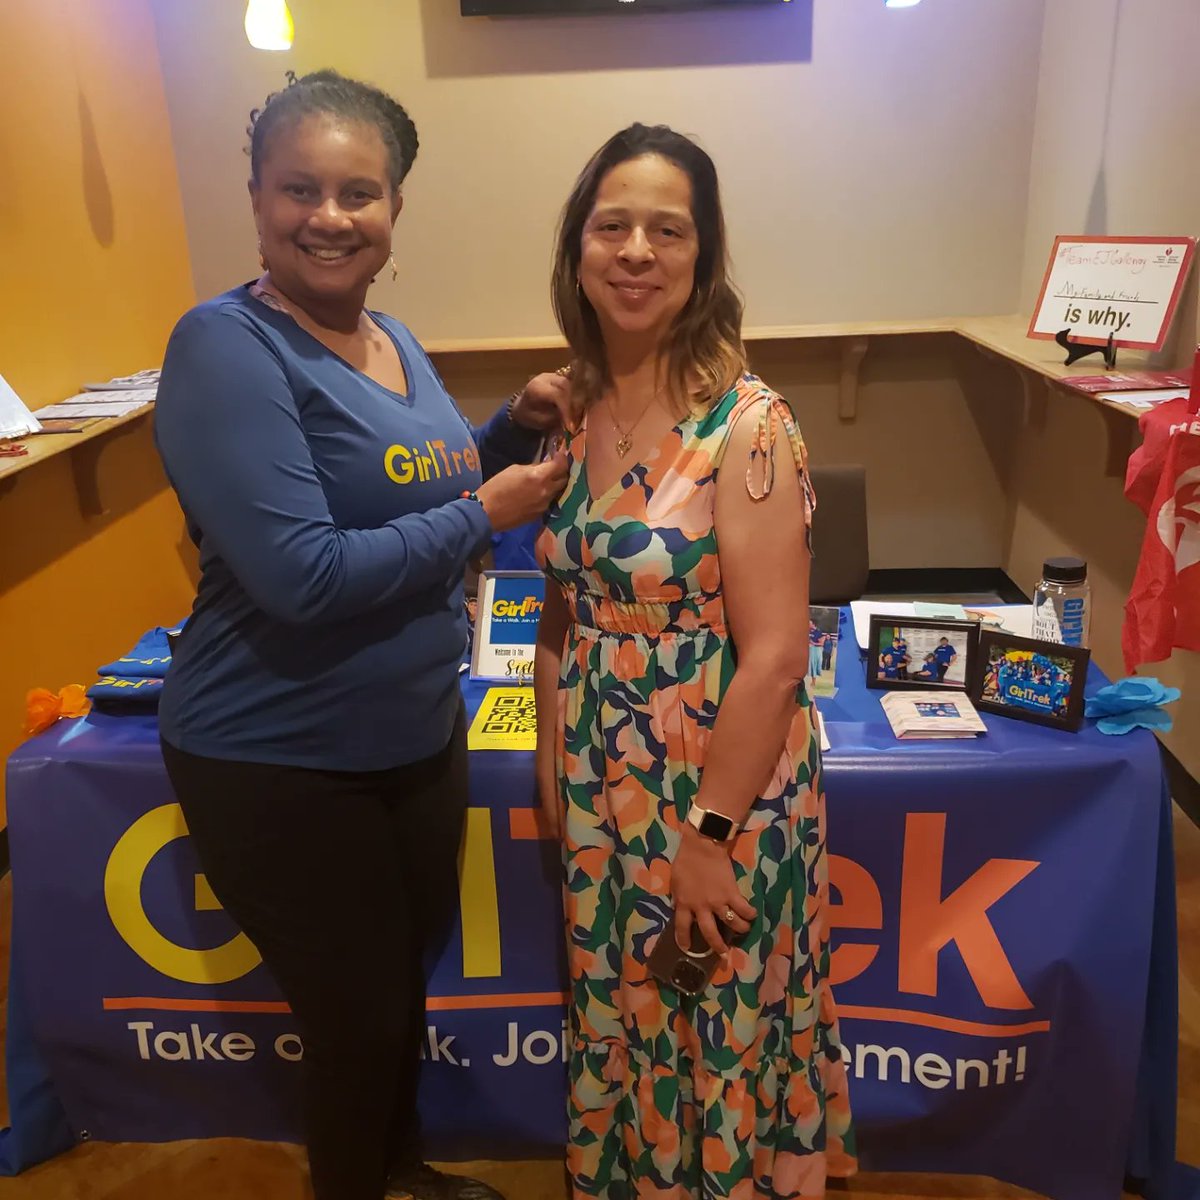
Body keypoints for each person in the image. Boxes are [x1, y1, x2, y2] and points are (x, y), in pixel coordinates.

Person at [153, 70, 571, 1200]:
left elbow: (404, 487)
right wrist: (489, 511)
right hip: (276, 756)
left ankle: (398, 1173)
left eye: (359, 192)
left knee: (399, 988)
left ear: (394, 209)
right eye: (300, 189)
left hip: (410, 737)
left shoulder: (391, 337)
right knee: (355, 1013)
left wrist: (502, 432)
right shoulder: (226, 348)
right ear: (255, 197)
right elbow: (303, 575)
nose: (329, 217)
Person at [534, 123, 855, 1198]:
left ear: (703, 259)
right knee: (620, 1013)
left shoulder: (750, 427)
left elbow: (771, 661)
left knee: (713, 1009)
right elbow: (562, 612)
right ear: (578, 249)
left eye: (666, 230)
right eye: (611, 225)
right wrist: (552, 772)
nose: (635, 250)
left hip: (720, 784)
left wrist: (710, 837)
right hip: (596, 783)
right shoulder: (573, 407)